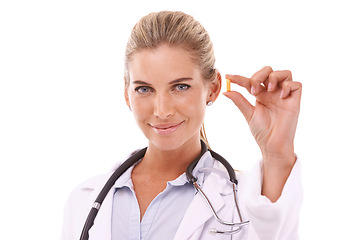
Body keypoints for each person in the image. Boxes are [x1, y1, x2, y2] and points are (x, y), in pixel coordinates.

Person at [62, 11, 302, 240]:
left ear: (214, 88)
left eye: (180, 87)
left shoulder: (244, 203)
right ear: (127, 93)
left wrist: (277, 154)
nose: (162, 110)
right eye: (144, 89)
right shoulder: (84, 201)